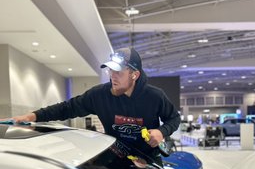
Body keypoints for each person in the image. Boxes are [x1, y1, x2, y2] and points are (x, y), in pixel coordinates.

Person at [5, 47, 180, 163]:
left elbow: (174, 118)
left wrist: (161, 132)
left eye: (118, 71)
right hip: (115, 159)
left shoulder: (155, 96)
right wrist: (31, 116)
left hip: (148, 160)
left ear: (134, 74)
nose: (112, 76)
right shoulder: (99, 95)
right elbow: (67, 108)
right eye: (110, 70)